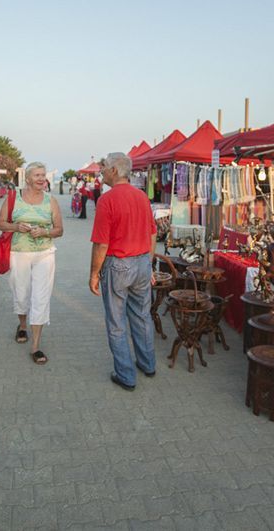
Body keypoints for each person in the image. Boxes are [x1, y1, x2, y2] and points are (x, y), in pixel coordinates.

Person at [89, 152, 157, 390]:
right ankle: (148, 364)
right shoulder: (141, 197)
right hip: (141, 262)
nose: (102, 171)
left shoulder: (107, 200)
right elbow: (152, 233)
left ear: (115, 171)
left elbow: (101, 243)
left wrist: (94, 274)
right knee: (142, 316)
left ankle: (126, 375)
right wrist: (148, 264)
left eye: (105, 167)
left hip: (118, 264)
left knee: (117, 322)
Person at [0, 162, 63, 365]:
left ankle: (35, 346)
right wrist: (17, 227)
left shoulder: (50, 201)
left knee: (41, 297)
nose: (42, 179)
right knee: (22, 293)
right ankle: (22, 325)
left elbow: (59, 229)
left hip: (45, 254)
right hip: (19, 253)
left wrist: (45, 232)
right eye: (37, 175)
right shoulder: (13, 198)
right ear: (27, 178)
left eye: (43, 175)